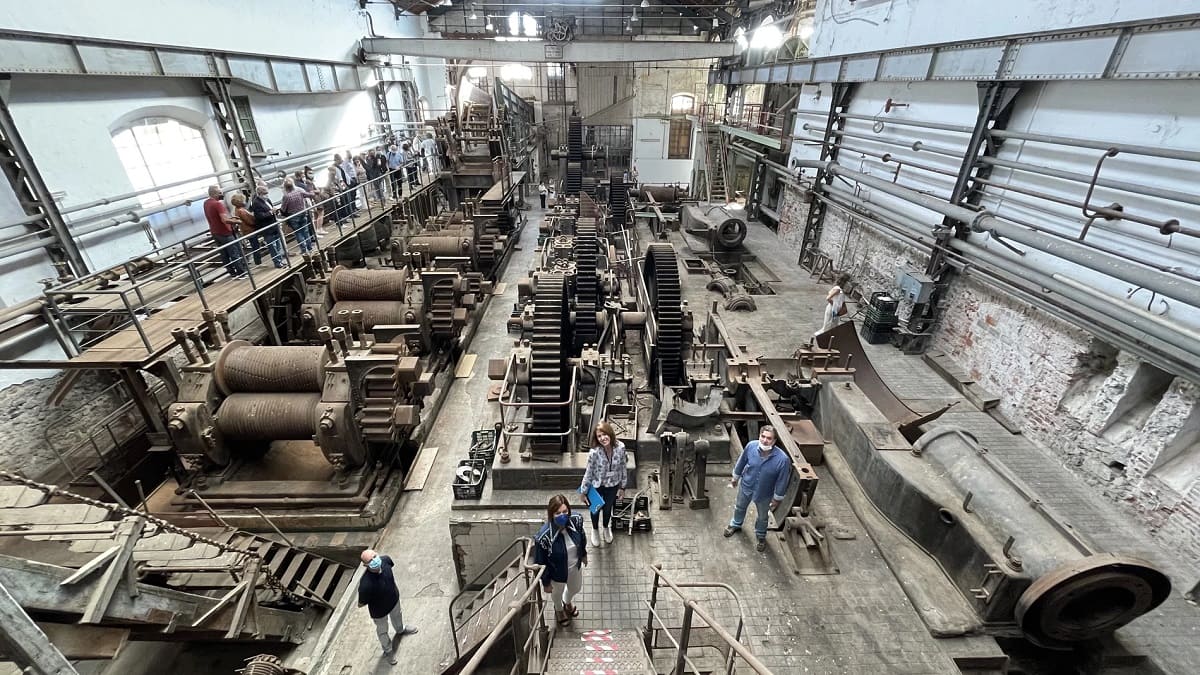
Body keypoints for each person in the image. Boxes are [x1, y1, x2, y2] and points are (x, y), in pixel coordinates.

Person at [724, 425, 791, 552]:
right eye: (763, 436)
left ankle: (761, 535)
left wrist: (777, 498)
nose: (765, 440)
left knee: (763, 516)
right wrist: (735, 477)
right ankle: (735, 524)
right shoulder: (751, 446)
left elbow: (782, 481)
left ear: (774, 441)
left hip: (765, 493)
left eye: (769, 438)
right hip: (746, 486)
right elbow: (741, 461)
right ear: (759, 436)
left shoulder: (783, 460)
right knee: (740, 507)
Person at [533, 494, 587, 627]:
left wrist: (584, 554)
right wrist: (546, 582)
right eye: (557, 513)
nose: (562, 515)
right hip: (556, 574)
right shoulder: (544, 537)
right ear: (551, 514)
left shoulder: (576, 520)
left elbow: (582, 536)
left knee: (575, 588)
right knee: (556, 594)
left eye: (564, 512)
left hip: (574, 567)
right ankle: (559, 610)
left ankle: (567, 601)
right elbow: (541, 561)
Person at [357, 549, 418, 665]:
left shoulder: (386, 561)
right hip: (379, 612)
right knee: (382, 630)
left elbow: (391, 568)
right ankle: (388, 650)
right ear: (365, 565)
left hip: (393, 600)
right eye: (370, 560)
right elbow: (361, 603)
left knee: (397, 616)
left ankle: (401, 630)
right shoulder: (365, 585)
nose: (374, 560)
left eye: (375, 556)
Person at [579, 421, 628, 547]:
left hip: (613, 485)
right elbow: (588, 472)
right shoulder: (594, 453)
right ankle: (595, 530)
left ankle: (606, 527)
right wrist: (583, 491)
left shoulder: (621, 448)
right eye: (599, 436)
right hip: (596, 486)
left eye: (604, 434)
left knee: (607, 509)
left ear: (610, 433)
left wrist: (622, 487)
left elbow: (623, 467)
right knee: (595, 510)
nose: (602, 438)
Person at [203, 185, 246, 278]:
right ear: (214, 194)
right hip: (225, 232)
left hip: (215, 232)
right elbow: (224, 220)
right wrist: (237, 221)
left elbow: (217, 218)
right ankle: (241, 273)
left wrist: (231, 218)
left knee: (224, 254)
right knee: (234, 252)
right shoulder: (218, 204)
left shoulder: (206, 203)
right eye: (219, 192)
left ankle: (232, 273)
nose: (221, 194)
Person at [249, 186, 287, 268]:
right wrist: (270, 212)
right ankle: (277, 263)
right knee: (272, 246)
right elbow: (259, 216)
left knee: (278, 245)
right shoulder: (256, 203)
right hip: (267, 228)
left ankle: (280, 260)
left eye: (267, 193)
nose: (266, 195)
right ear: (259, 194)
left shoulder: (268, 200)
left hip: (274, 225)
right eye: (264, 194)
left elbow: (272, 209)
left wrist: (275, 211)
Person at [279, 178, 316, 254]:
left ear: (285, 187)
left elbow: (283, 209)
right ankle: (310, 248)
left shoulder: (286, 196)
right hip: (303, 213)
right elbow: (311, 195)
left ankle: (303, 250)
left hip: (293, 216)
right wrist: (310, 187)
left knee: (298, 233)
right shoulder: (299, 191)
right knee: (305, 231)